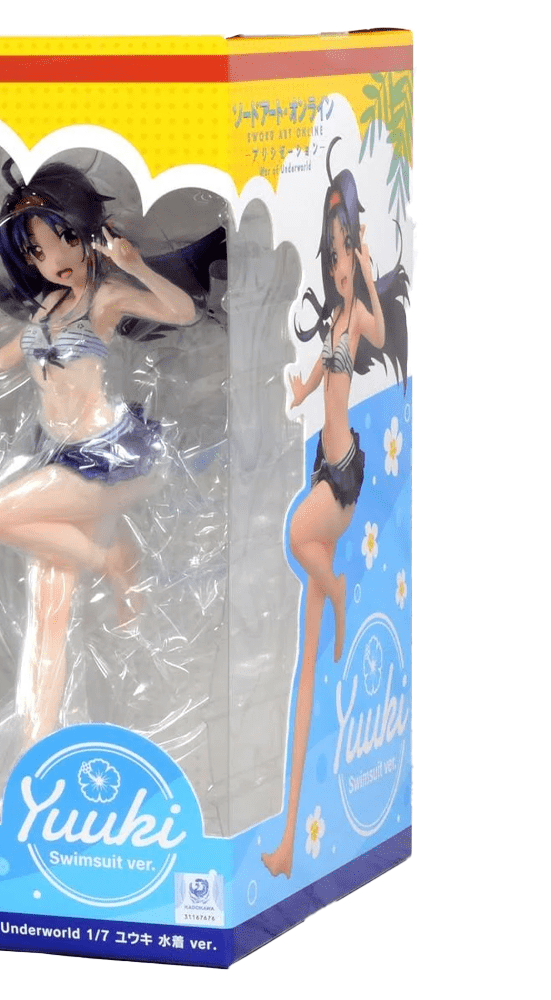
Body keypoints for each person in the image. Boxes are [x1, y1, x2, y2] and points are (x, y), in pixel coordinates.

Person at [0, 161, 213, 814]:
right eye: (36, 250)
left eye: (60, 238)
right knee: (46, 628)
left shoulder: (105, 297)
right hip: (62, 458)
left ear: (85, 230)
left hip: (109, 458)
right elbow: (21, 348)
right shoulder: (50, 305)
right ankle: (31, 786)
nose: (53, 258)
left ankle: (112, 558)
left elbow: (181, 310)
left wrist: (135, 265)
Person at [263, 139, 408, 877]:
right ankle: (290, 842)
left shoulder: (357, 316)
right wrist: (296, 390)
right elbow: (322, 372)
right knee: (305, 665)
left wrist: (371, 277)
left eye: (345, 247)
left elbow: (376, 334)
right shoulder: (331, 322)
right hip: (323, 461)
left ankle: (341, 589)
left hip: (345, 470)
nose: (338, 261)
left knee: (298, 534)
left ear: (358, 248)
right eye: (334, 250)